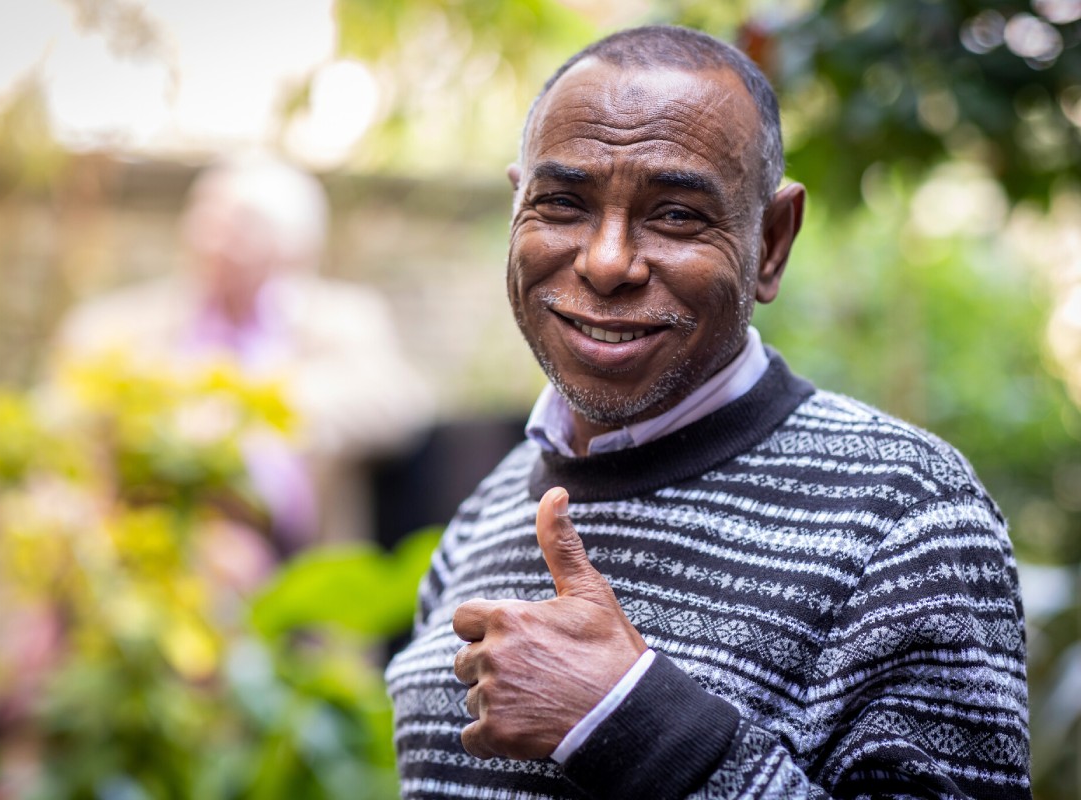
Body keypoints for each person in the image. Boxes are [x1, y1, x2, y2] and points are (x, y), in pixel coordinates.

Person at [385, 24, 1029, 799]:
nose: (607, 261)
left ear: (772, 243)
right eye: (562, 203)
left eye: (677, 216)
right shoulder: (484, 514)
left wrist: (628, 720)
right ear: (517, 206)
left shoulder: (906, 515)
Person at [56, 156, 431, 552]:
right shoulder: (114, 324)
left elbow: (400, 404)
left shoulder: (344, 319)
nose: (214, 239)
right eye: (207, 218)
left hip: (287, 553)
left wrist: (248, 410)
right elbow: (64, 417)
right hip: (141, 540)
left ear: (290, 246)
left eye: (240, 227)